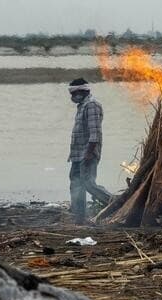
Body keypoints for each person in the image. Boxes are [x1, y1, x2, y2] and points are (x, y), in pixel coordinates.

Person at [67, 78, 112, 224]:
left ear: (83, 91)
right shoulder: (82, 106)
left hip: (87, 153)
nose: (72, 97)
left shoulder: (92, 105)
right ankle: (80, 218)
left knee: (88, 184)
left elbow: (95, 134)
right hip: (77, 155)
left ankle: (114, 203)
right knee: (75, 183)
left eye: (74, 93)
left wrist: (88, 153)